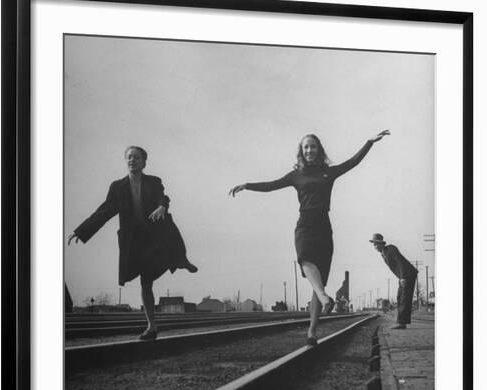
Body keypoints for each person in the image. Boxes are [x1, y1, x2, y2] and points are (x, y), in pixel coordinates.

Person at [229, 130, 390, 346]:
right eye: (306, 147)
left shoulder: (328, 172)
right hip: (304, 226)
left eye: (313, 146)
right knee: (304, 260)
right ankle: (325, 298)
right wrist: (247, 185)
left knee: (318, 283)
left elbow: (352, 162)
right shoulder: (295, 175)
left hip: (324, 227)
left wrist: (369, 143)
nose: (309, 150)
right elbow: (271, 185)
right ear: (301, 151)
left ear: (318, 150)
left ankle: (312, 332)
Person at [68, 146, 197, 340]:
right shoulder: (117, 187)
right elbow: (103, 212)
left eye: (136, 157)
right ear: (125, 161)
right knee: (145, 283)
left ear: (144, 162)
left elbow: (164, 196)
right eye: (129, 157)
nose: (132, 160)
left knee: (169, 235)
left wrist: (162, 206)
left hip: (156, 237)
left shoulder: (153, 181)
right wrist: (81, 230)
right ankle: (151, 328)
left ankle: (181, 260)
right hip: (135, 242)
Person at [369, 233, 418, 329]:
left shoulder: (391, 249)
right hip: (403, 276)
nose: (375, 246)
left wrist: (403, 277)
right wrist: (401, 278)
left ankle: (401, 323)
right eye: (374, 244)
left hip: (408, 274)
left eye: (376, 244)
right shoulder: (383, 254)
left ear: (382, 243)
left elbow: (400, 262)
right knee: (400, 297)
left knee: (404, 297)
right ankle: (401, 321)